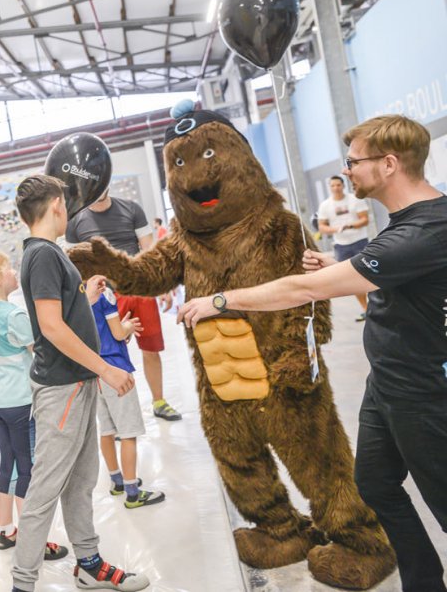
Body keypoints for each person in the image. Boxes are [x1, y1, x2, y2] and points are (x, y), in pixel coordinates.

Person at [177, 115, 447, 592]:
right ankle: (424, 580)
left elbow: (301, 288)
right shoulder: (404, 226)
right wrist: (342, 264)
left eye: (354, 162)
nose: (347, 171)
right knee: (375, 485)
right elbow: (386, 277)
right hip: (386, 383)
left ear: (388, 164)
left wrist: (221, 300)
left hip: (422, 392)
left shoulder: (424, 231)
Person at [11, 174, 148, 592]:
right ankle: (23, 583)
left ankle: (88, 563)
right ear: (55, 205)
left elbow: (58, 315)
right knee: (45, 489)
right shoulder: (44, 256)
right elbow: (51, 328)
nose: (69, 209)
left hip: (77, 384)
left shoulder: (47, 255)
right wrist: (106, 369)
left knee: (82, 480)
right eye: (65, 202)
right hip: (63, 390)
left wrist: (84, 298)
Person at [0, 250, 67, 561]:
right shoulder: (14, 315)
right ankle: (35, 540)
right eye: (9, 268)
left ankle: (5, 529)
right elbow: (41, 352)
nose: (14, 272)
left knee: (7, 463)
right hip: (21, 401)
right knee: (28, 471)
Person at [66, 190, 181, 422]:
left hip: (139, 290)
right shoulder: (76, 221)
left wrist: (164, 285)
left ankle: (159, 401)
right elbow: (73, 262)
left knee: (151, 348)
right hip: (103, 295)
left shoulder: (132, 209)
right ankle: (116, 415)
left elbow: (149, 249)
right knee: (109, 352)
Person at [85, 276, 164, 510]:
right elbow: (118, 333)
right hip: (117, 371)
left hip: (94, 370)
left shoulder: (75, 298)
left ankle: (116, 480)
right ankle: (132, 491)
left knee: (107, 429)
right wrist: (128, 326)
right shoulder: (104, 294)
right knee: (128, 432)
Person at [317, 175, 370, 321]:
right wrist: (335, 229)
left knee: (370, 274)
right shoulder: (325, 206)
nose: (336, 188)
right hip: (341, 246)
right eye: (333, 185)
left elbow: (365, 219)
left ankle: (379, 306)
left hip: (360, 241)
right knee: (352, 279)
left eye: (338, 185)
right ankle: (366, 310)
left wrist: (350, 225)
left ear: (343, 185)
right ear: (330, 187)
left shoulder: (354, 200)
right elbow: (322, 227)